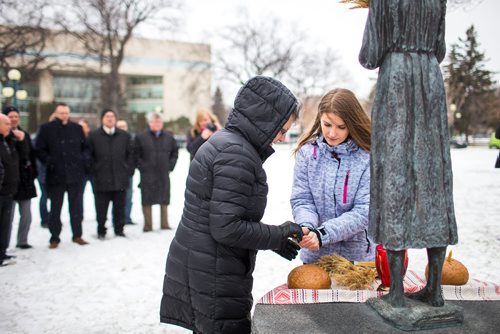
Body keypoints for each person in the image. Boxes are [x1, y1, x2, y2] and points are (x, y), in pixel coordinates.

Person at [160, 76, 308, 334]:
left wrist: (273, 241)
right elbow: (226, 228)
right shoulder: (237, 154)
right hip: (214, 272)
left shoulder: (227, 143)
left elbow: (223, 216)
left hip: (204, 263)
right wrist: (280, 232)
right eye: (282, 130)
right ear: (265, 120)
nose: (283, 138)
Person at [359, 0, 458, 307]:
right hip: (429, 77)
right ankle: (436, 288)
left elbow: (370, 54)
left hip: (397, 77)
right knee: (433, 175)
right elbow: (439, 49)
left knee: (395, 171)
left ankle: (397, 294)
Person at [290, 88, 373, 264]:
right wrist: (307, 228)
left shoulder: (367, 157)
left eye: (341, 127)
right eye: (327, 124)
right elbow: (303, 200)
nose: (332, 133)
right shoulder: (307, 154)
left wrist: (323, 234)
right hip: (316, 258)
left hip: (357, 261)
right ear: (319, 119)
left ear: (352, 124)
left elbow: (365, 211)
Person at [36, 103, 90, 248]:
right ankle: (54, 237)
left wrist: (82, 160)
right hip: (56, 175)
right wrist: (49, 162)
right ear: (56, 113)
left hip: (75, 175)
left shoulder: (77, 129)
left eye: (66, 113)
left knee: (76, 207)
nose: (64, 116)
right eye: (61, 113)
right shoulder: (46, 129)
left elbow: (85, 148)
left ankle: (77, 235)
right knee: (55, 208)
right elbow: (39, 149)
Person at [87, 110, 134, 239]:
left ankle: (119, 229)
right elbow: (88, 156)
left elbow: (131, 155)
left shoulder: (124, 136)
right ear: (102, 119)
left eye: (112, 116)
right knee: (101, 208)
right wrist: (94, 170)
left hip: (120, 179)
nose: (110, 119)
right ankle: (101, 230)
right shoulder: (94, 136)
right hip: (101, 179)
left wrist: (127, 170)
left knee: (120, 207)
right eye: (107, 116)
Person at [134, 112, 178, 231]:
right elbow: (135, 155)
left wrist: (170, 166)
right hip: (147, 174)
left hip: (163, 173)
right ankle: (148, 225)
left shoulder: (169, 137)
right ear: (149, 123)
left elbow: (175, 153)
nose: (157, 124)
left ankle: (165, 224)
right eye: (154, 121)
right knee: (147, 199)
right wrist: (142, 167)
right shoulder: (141, 137)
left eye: (159, 122)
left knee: (164, 198)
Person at [3, 106, 37, 249]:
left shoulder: (24, 134)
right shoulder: (4, 137)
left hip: (24, 181)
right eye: (11, 116)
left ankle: (22, 240)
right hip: (7, 182)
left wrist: (21, 140)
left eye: (16, 116)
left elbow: (28, 156)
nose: (14, 119)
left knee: (26, 214)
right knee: (7, 217)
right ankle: (4, 244)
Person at [0, 114, 27, 266]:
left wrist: (21, 141)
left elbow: (23, 156)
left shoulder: (8, 141)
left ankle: (2, 252)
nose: (9, 126)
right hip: (2, 189)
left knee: (5, 224)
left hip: (10, 189)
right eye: (6, 123)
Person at [115, 119, 135, 225]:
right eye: (120, 126)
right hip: (115, 174)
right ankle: (117, 219)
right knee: (116, 199)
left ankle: (127, 217)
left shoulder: (130, 139)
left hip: (128, 173)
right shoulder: (113, 139)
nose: (122, 128)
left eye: (124, 126)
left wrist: (130, 169)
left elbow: (133, 156)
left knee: (128, 197)